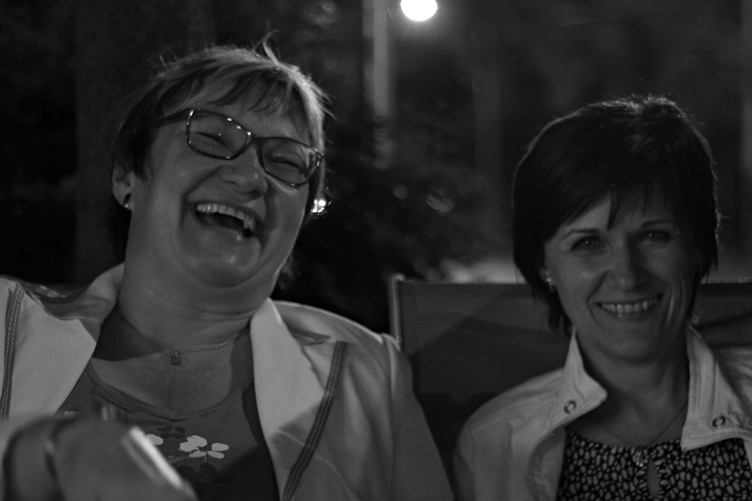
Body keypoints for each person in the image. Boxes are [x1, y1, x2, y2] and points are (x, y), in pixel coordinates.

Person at [0, 43, 453, 501]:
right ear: (126, 175)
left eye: (287, 163)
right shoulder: (5, 326)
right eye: (213, 138)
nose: (251, 177)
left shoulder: (368, 374)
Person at [454, 95, 752, 500]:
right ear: (543, 264)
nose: (627, 276)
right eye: (588, 243)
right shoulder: (492, 444)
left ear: (698, 245)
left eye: (654, 236)